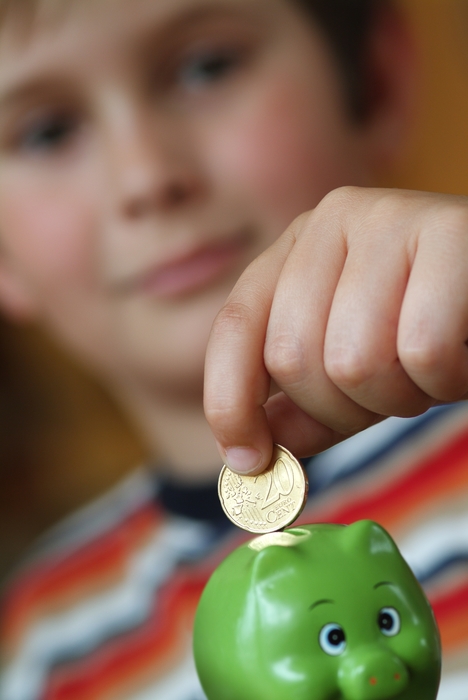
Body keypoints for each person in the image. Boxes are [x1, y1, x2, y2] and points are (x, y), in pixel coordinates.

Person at [0, 0, 466, 698]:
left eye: (206, 67)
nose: (147, 177)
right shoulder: (44, 648)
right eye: (46, 133)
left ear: (375, 82)